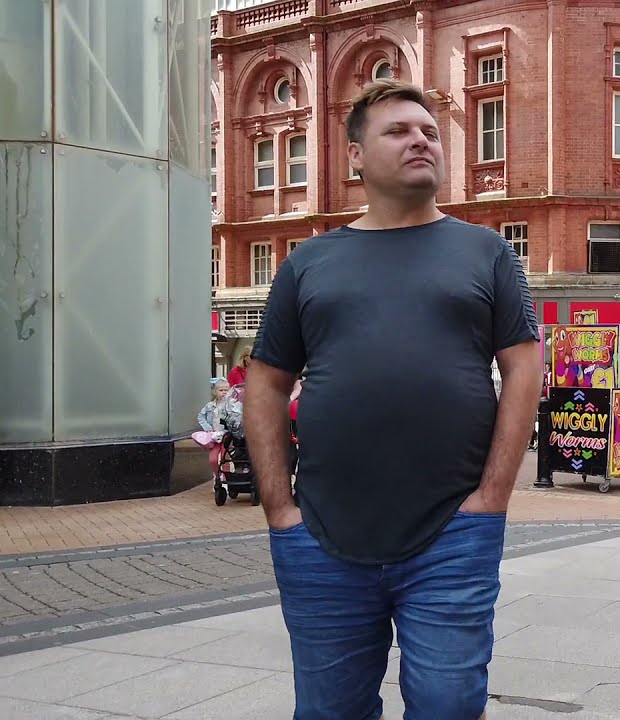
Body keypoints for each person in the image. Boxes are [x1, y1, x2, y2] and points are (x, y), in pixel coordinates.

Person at [243, 79, 541, 720]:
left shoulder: (485, 250)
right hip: (319, 535)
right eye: (399, 131)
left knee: (448, 705)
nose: (421, 141)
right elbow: (264, 380)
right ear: (355, 156)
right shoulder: (309, 262)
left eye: (430, 131)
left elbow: (524, 366)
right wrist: (278, 506)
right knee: (329, 711)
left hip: (453, 532)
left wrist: (493, 497)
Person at [194, 379, 231, 480]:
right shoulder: (210, 406)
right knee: (213, 459)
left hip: (226, 436)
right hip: (214, 436)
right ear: (215, 392)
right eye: (221, 390)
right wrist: (208, 428)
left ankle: (227, 478)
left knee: (225, 458)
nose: (224, 392)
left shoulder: (231, 406)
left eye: (226, 390)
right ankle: (217, 475)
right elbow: (200, 416)